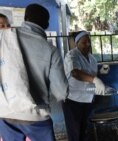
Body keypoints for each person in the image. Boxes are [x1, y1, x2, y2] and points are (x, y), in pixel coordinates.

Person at [0, 4, 68, 141]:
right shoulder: (50, 50)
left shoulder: (4, 38)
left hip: (6, 112)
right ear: (46, 24)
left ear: (25, 18)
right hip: (35, 116)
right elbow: (61, 92)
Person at [63, 30, 105, 141]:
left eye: (89, 42)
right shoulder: (72, 55)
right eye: (84, 42)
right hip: (73, 100)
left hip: (88, 98)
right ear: (77, 43)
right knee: (75, 132)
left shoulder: (92, 58)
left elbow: (91, 75)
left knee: (84, 131)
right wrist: (95, 79)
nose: (88, 44)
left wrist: (101, 72)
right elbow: (75, 73)